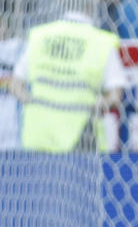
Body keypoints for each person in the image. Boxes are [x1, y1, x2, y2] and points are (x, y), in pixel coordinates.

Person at [9, 11, 124, 153]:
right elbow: (115, 96)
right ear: (93, 3)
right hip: (82, 139)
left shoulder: (41, 34)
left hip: (38, 136)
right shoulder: (101, 41)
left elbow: (15, 84)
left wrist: (32, 101)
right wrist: (99, 104)